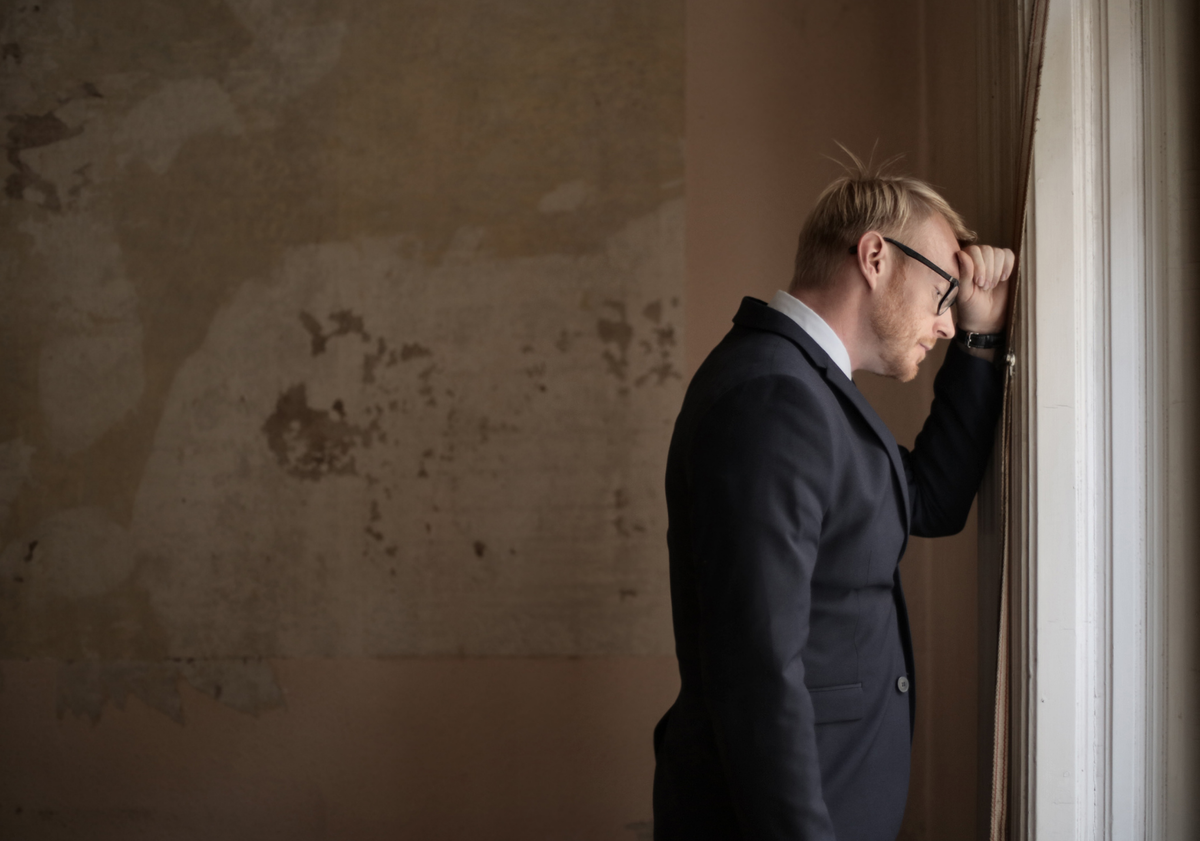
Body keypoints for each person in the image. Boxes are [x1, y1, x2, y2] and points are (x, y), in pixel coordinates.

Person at [651, 156, 1013, 841]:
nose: (944, 323)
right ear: (875, 257)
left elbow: (928, 501)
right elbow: (757, 670)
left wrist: (979, 337)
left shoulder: (805, 387)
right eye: (942, 292)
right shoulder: (774, 395)